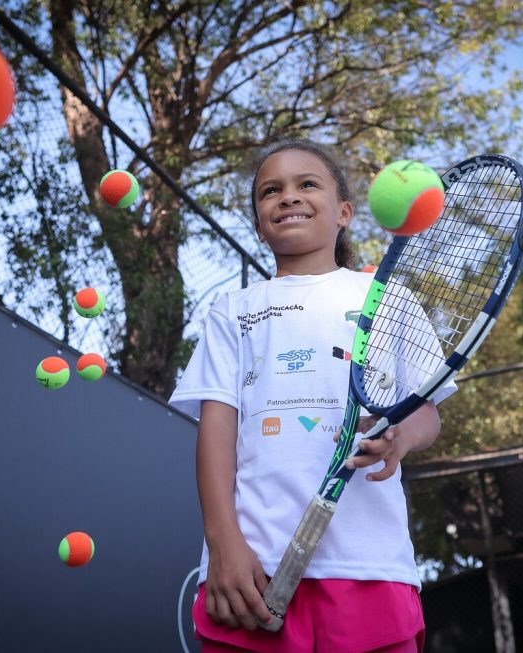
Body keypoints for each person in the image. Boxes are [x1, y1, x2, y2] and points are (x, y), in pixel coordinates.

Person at [169, 139, 456, 652]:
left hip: (370, 564)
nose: (287, 197)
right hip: (252, 570)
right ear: (259, 224)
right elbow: (217, 431)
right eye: (270, 191)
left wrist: (399, 439)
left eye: (307, 184)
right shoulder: (232, 309)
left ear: (343, 212)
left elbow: (425, 416)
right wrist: (223, 545)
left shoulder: (388, 299)